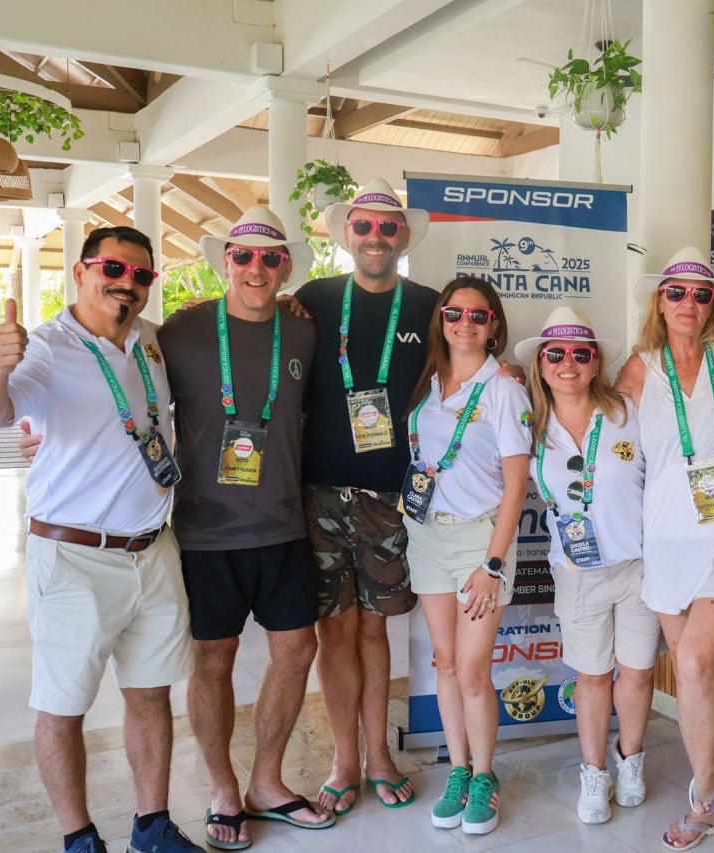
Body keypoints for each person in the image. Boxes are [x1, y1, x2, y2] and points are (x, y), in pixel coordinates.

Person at [0, 227, 203, 853]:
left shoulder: (153, 342)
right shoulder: (44, 347)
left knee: (150, 695)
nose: (126, 284)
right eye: (112, 269)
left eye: (141, 275)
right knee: (63, 705)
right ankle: (78, 837)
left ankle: (151, 826)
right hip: (73, 555)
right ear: (80, 271)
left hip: (152, 549)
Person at [161, 208, 329, 849]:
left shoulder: (303, 331)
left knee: (297, 651)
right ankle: (222, 788)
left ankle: (266, 782)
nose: (256, 269)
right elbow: (129, 391)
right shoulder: (181, 331)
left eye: (270, 258)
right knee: (212, 659)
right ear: (224, 262)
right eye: (243, 256)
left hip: (283, 525)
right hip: (205, 532)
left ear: (285, 268)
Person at [614, 247, 714, 850]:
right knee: (688, 669)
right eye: (676, 292)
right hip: (668, 535)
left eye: (701, 294)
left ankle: (705, 796)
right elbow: (602, 431)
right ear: (660, 301)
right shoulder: (639, 368)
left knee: (697, 660)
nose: (688, 302)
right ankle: (713, 799)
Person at [295, 177, 435, 815]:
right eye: (364, 225)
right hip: (319, 491)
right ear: (346, 234)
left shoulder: (429, 306)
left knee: (375, 631)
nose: (376, 236)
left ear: (402, 238)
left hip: (390, 495)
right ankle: (343, 760)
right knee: (335, 632)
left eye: (387, 226)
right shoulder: (312, 300)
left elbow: (462, 365)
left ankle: (379, 755)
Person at [515, 306, 659, 825]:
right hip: (577, 573)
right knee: (593, 676)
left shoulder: (628, 411)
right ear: (541, 364)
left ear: (596, 362)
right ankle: (594, 773)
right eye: (555, 354)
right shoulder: (529, 426)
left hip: (640, 566)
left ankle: (630, 760)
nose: (568, 363)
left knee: (638, 671)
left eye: (580, 353)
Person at [402, 277, 530, 836]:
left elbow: (516, 486)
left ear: (493, 324)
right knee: (447, 663)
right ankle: (457, 770)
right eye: (455, 314)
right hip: (427, 535)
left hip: (481, 542)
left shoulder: (504, 389)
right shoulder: (428, 381)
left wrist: (494, 563)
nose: (465, 324)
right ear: (441, 319)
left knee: (475, 671)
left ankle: (484, 776)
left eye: (478, 316)